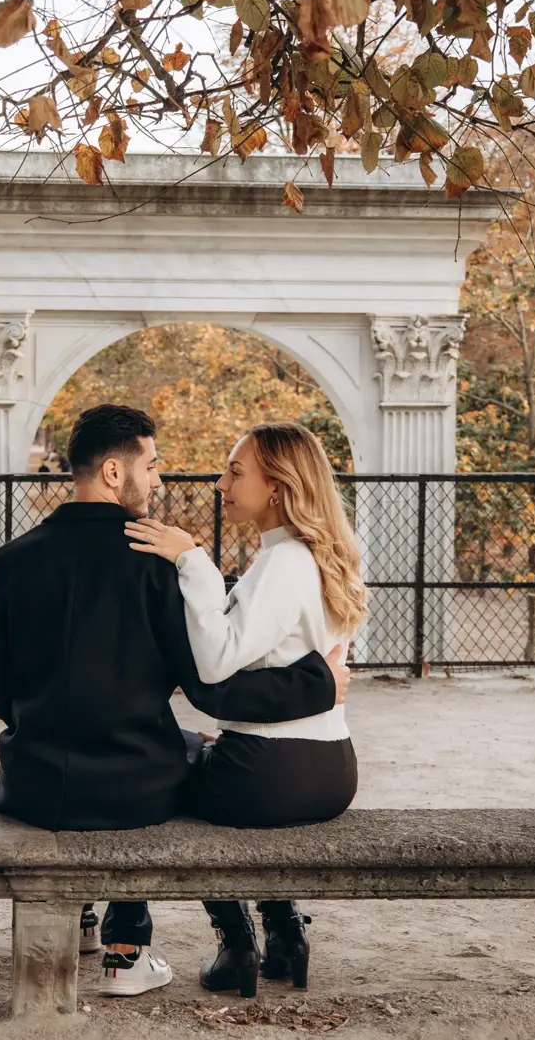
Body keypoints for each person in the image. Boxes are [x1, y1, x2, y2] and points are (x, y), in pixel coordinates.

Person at [0, 405, 351, 998]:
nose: (159, 480)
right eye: (151, 466)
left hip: (34, 780)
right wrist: (320, 685)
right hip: (133, 781)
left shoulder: (8, 561)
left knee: (172, 750)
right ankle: (127, 949)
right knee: (177, 759)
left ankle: (78, 918)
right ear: (111, 472)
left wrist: (47, 724)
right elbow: (209, 686)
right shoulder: (156, 566)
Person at [125, 421, 368, 997]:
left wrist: (193, 561)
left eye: (236, 472)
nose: (220, 483)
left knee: (164, 779)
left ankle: (236, 943)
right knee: (197, 750)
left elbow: (216, 660)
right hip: (331, 766)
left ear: (279, 486)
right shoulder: (313, 557)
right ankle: (285, 935)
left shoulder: (285, 564)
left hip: (270, 773)